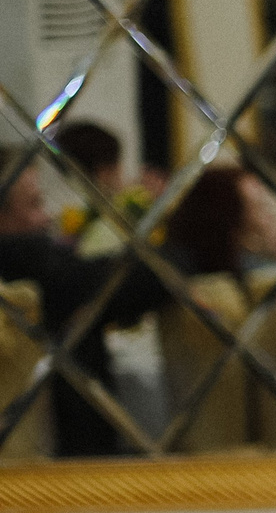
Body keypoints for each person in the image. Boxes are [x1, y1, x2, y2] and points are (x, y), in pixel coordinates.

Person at [0, 153, 173, 456]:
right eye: (34, 205)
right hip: (66, 456)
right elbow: (130, 280)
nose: (47, 216)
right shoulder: (20, 259)